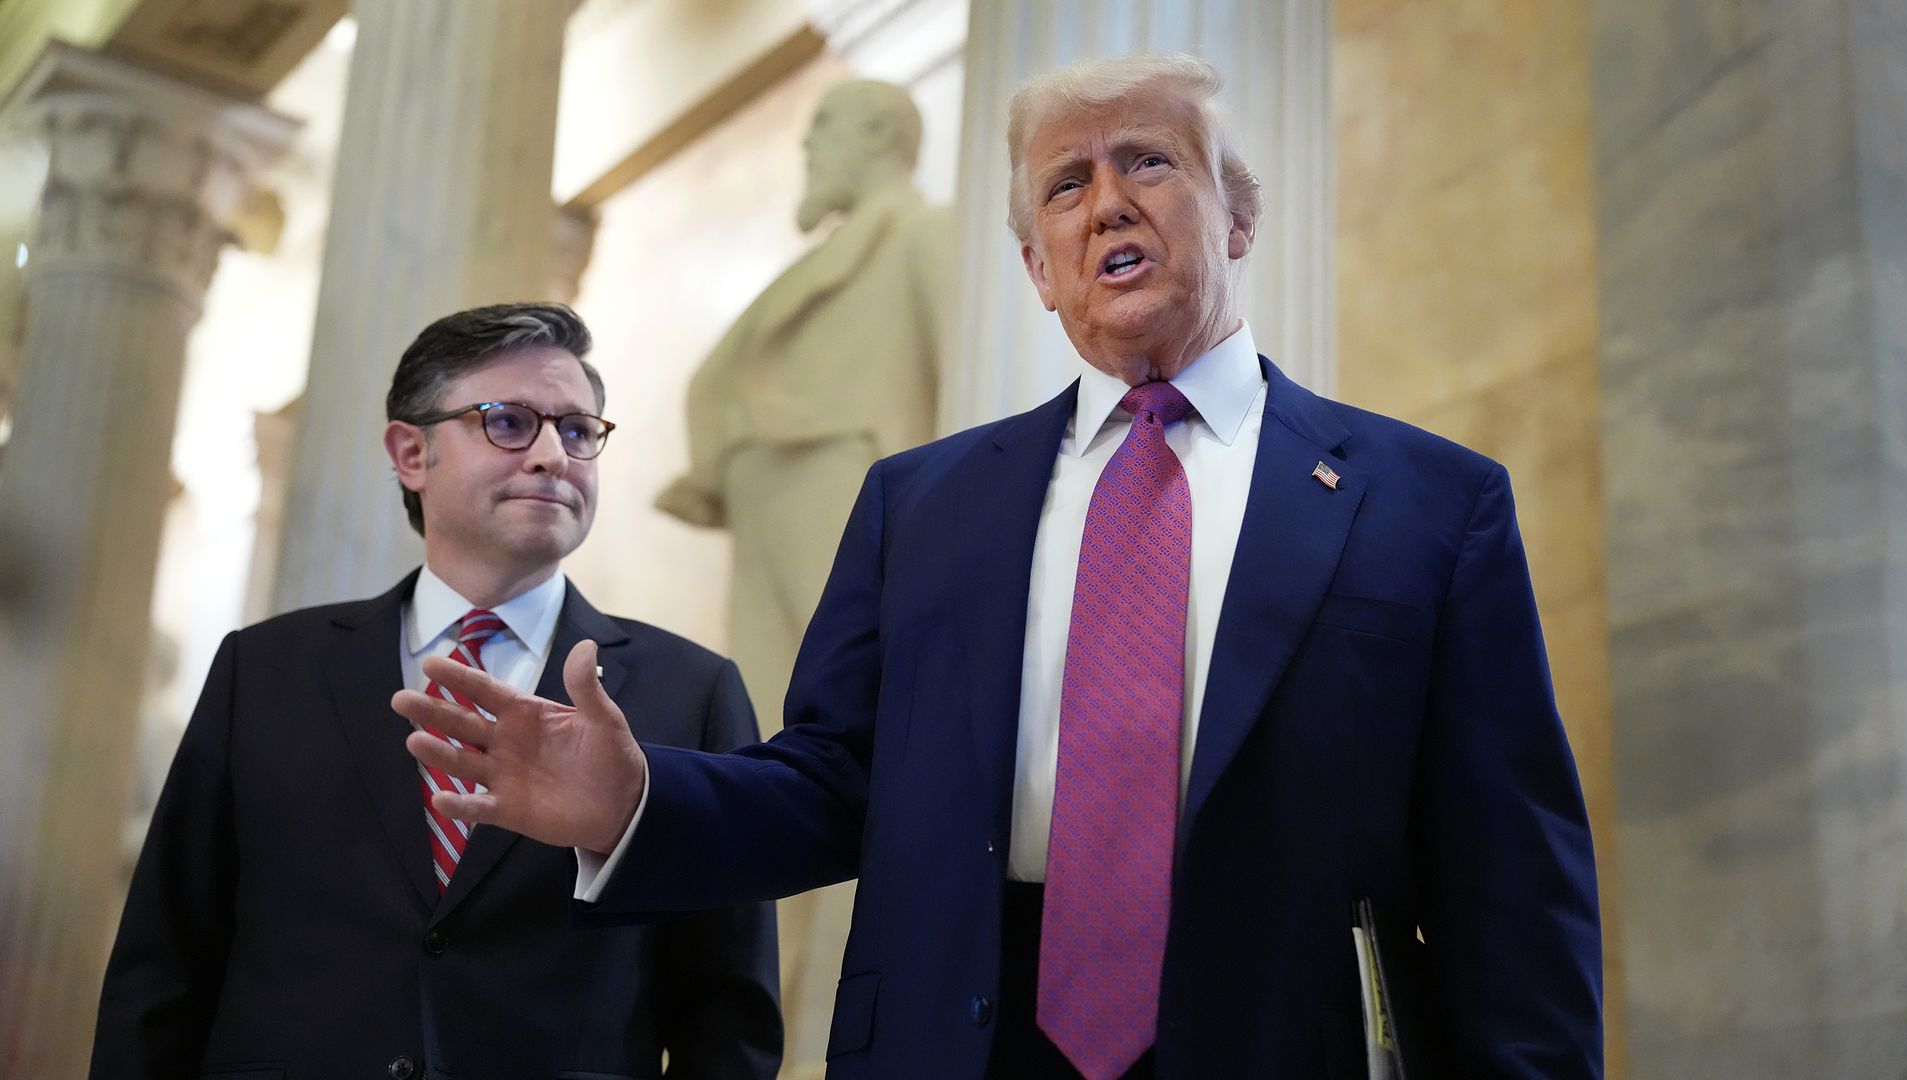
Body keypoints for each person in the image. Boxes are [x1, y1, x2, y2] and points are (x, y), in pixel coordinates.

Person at [400, 56, 1603, 1080]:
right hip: (958, 1036)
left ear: (1237, 221)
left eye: (1147, 162)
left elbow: (1510, 873)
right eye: (1066, 186)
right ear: (1037, 269)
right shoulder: (922, 504)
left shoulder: (1426, 503)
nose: (1106, 205)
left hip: (1279, 1033)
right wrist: (641, 802)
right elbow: (833, 784)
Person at [92, 303, 781, 1080]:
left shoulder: (691, 693)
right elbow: (163, 965)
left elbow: (728, 1018)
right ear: (411, 453)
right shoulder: (266, 669)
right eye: (511, 422)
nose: (554, 454)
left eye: (580, 431)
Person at [654, 75, 950, 1077]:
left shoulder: (922, 234)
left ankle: (830, 1030)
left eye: (823, 129)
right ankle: (756, 1024)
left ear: (878, 133)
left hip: (852, 523)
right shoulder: (827, 259)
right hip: (775, 527)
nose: (808, 151)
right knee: (766, 765)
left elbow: (968, 390)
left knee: (848, 770)